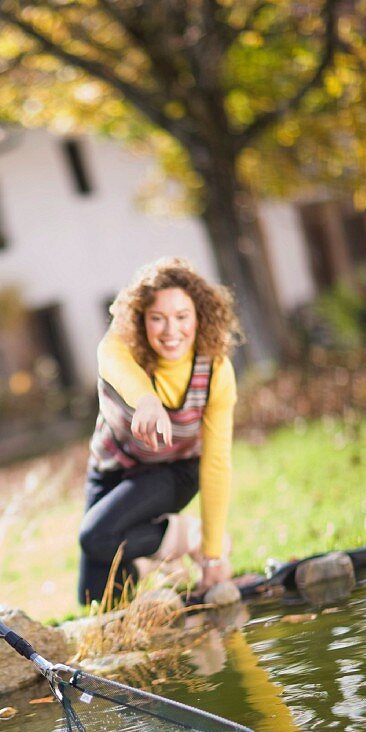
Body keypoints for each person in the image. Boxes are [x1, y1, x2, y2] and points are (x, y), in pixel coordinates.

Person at [78, 257, 241, 606]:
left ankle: (189, 538)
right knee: (97, 602)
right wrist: (147, 400)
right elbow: (116, 365)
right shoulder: (116, 347)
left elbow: (216, 463)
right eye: (157, 318)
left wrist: (213, 555)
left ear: (199, 317)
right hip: (111, 469)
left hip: (174, 471)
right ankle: (156, 556)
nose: (171, 330)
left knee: (95, 538)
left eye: (182, 317)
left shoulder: (215, 371)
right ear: (141, 319)